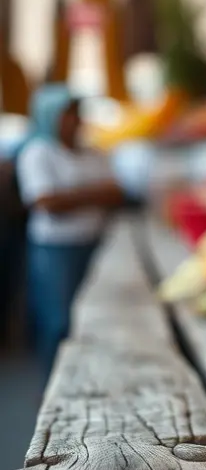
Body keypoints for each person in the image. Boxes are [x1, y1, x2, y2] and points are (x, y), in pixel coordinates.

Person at [15, 84, 125, 378]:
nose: (75, 120)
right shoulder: (38, 152)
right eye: (68, 113)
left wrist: (72, 196)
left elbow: (116, 192)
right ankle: (52, 385)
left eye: (77, 113)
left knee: (94, 320)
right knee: (58, 323)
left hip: (93, 243)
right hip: (56, 249)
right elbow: (47, 202)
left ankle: (87, 380)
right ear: (50, 116)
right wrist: (93, 194)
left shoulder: (94, 152)